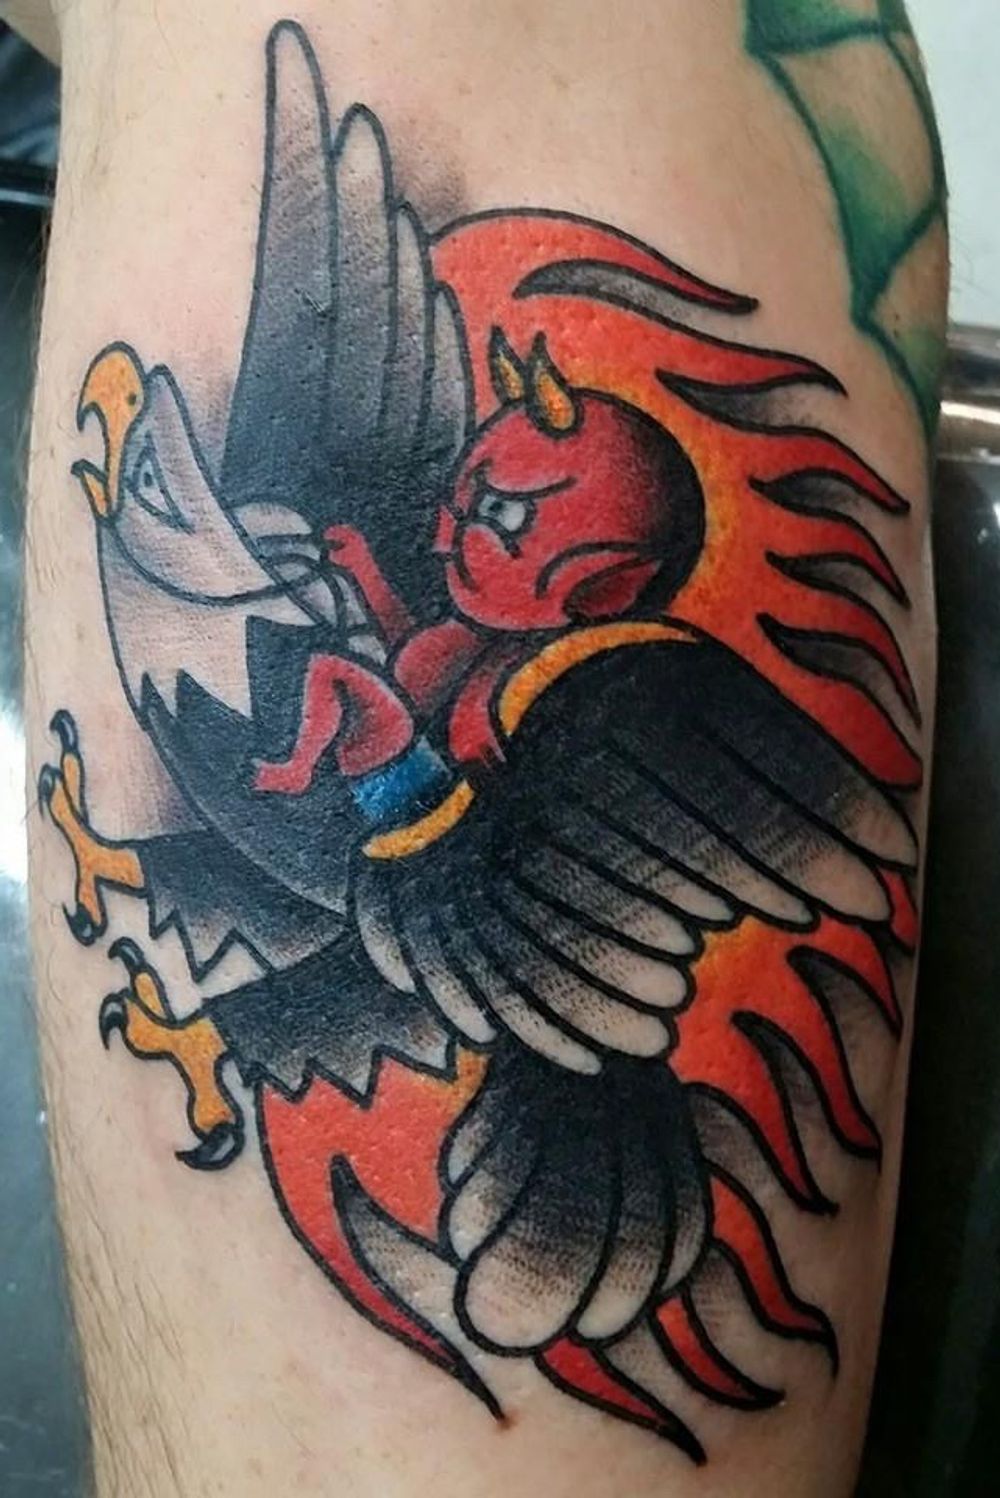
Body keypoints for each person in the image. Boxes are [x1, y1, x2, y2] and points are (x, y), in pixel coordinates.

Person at [11, 2, 946, 1494]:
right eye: (476, 487)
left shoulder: (586, 699)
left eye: (508, 518)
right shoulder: (464, 631)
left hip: (492, 968)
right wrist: (358, 594)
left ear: (589, 589)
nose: (461, 513)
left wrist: (369, 755)